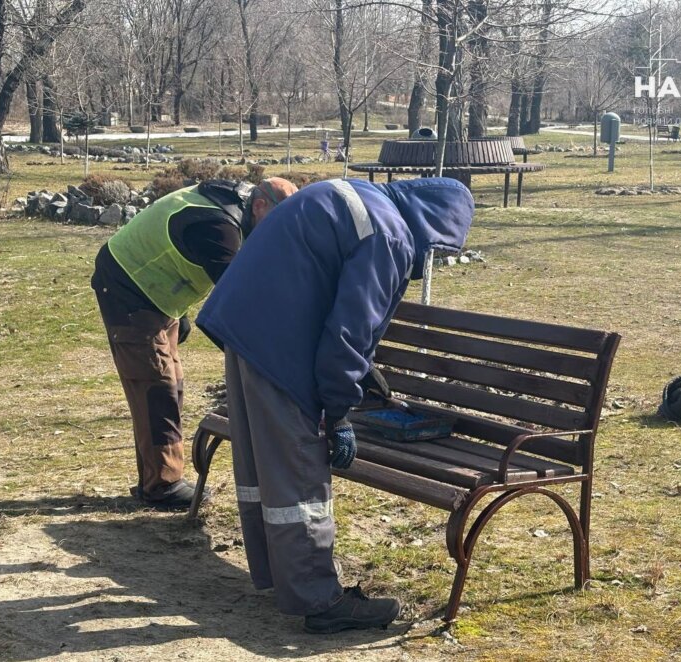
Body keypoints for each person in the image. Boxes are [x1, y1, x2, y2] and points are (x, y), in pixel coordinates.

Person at [196, 177, 474, 633]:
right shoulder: (389, 235)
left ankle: (279, 573)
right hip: (279, 348)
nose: (432, 258)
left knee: (263, 467)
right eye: (439, 248)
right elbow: (350, 332)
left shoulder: (356, 195)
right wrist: (339, 413)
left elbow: (321, 285)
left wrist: (360, 377)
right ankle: (319, 601)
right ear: (436, 224)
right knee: (298, 469)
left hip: (244, 329)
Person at [91, 177, 298, 511]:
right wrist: (269, 362)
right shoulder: (220, 227)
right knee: (156, 387)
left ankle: (154, 478)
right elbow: (239, 305)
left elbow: (178, 249)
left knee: (170, 384)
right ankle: (162, 486)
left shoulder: (235, 210)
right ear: (260, 205)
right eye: (278, 221)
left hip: (155, 291)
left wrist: (179, 310)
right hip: (127, 288)